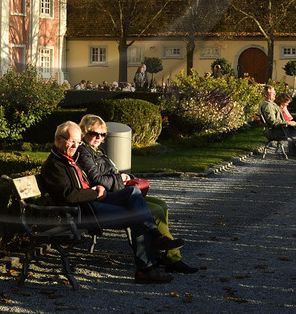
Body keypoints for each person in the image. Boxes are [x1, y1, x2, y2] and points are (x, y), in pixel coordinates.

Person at [41, 121, 175, 283]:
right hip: (84, 211)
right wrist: (95, 192)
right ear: (58, 139)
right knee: (136, 215)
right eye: (71, 141)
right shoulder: (54, 165)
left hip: (92, 201)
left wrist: (97, 188)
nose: (75, 145)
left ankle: (154, 238)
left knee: (132, 191)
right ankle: (146, 268)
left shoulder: (69, 158)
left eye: (78, 141)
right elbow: (69, 196)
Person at [76, 114, 198, 274]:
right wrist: (120, 178)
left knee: (160, 205)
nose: (99, 137)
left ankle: (163, 252)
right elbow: (97, 179)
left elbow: (112, 173)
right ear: (84, 132)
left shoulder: (97, 150)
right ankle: (169, 257)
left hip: (118, 192)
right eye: (94, 133)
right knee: (152, 212)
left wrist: (127, 178)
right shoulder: (84, 152)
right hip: (108, 197)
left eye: (102, 134)